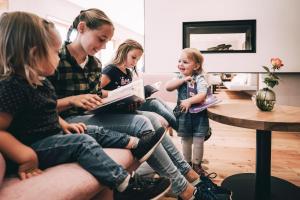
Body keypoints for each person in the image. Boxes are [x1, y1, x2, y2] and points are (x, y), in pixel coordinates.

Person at [48, 8, 231, 200]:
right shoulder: (54, 58)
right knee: (142, 123)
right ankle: (187, 191)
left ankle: (192, 178)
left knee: (151, 117)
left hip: (93, 113)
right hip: (68, 119)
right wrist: (72, 100)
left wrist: (121, 101)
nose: (103, 47)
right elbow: (40, 106)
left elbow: (95, 95)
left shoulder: (94, 64)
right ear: (82, 28)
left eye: (106, 42)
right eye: (101, 39)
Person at [0, 11, 172, 200]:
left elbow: (45, 110)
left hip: (52, 133)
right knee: (83, 142)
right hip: (34, 145)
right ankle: (126, 185)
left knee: (92, 131)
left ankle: (137, 144)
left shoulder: (40, 82)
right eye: (56, 53)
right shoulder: (12, 86)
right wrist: (25, 156)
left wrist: (64, 124)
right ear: (34, 54)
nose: (59, 58)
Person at [101, 39, 177, 131]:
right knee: (154, 104)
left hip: (126, 104)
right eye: (133, 57)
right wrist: (116, 93)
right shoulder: (110, 70)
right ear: (123, 52)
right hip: (114, 106)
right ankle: (181, 129)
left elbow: (127, 91)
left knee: (157, 100)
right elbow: (96, 91)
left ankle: (180, 121)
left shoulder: (128, 72)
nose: (135, 62)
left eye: (137, 59)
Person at [165, 48, 211, 175]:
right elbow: (168, 87)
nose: (180, 64)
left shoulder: (200, 78)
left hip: (199, 116)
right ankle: (187, 164)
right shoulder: (179, 77)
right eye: (179, 61)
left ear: (196, 66)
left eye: (185, 62)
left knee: (198, 140)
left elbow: (202, 95)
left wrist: (190, 101)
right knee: (186, 140)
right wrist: (183, 80)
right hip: (184, 116)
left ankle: (197, 165)